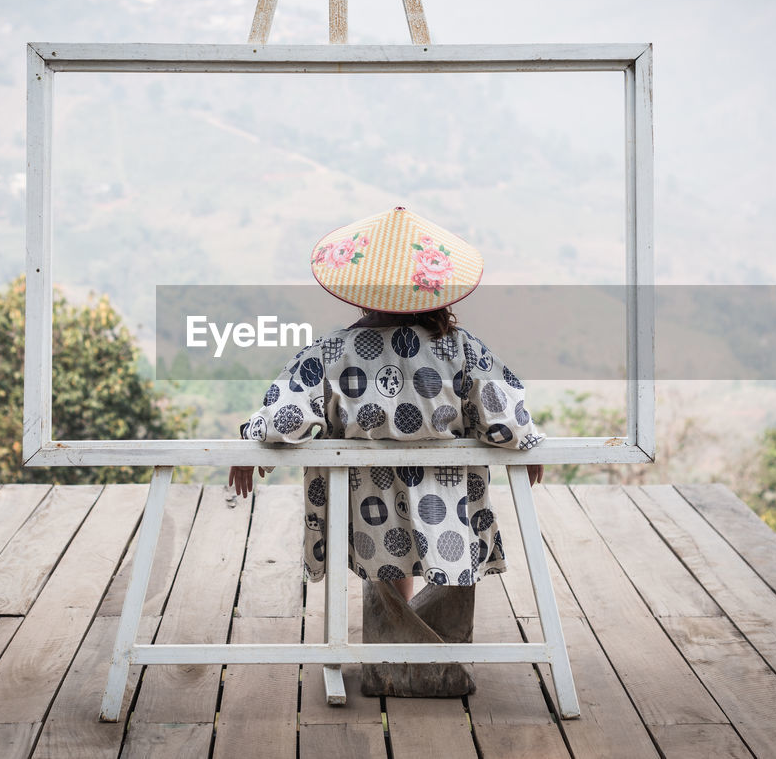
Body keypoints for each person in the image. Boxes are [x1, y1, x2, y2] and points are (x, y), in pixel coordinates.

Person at [229, 206, 545, 605]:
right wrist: (526, 443)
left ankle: (393, 646)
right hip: (448, 505)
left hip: (368, 507)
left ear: (363, 291)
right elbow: (505, 418)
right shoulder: (461, 348)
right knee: (447, 548)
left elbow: (283, 419)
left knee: (386, 556)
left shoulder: (332, 351)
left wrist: (248, 445)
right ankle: (437, 650)